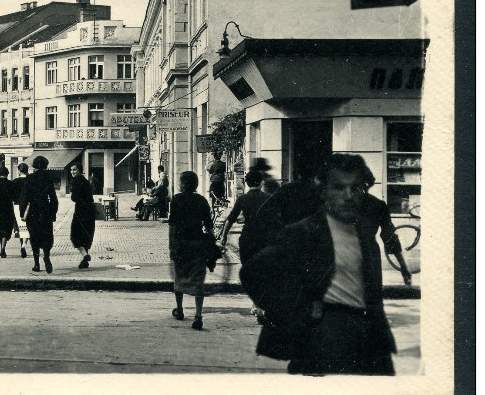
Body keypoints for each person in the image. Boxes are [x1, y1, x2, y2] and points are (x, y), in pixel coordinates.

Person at [240, 154, 408, 375]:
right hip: (325, 324)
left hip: (366, 327)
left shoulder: (369, 210)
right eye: (339, 187)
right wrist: (290, 309)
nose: (348, 196)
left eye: (357, 188)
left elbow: (260, 225)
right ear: (324, 188)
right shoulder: (308, 225)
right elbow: (253, 271)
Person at [168, 170, 214, 330]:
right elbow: (209, 226)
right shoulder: (202, 201)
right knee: (198, 280)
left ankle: (179, 310)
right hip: (198, 245)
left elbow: (172, 226)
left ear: (184, 184)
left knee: (179, 277)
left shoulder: (177, 200)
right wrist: (212, 245)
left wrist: (171, 247)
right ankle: (198, 316)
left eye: (180, 182)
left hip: (181, 245)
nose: (179, 184)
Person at [19, 156, 59, 273]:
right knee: (47, 236)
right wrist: (53, 213)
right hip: (45, 210)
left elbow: (24, 198)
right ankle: (46, 257)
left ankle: (36, 264)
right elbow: (54, 199)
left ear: (35, 165)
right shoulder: (48, 178)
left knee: (34, 237)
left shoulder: (29, 178)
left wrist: (22, 213)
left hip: (33, 211)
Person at [220, 170, 271, 246]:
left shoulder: (242, 198)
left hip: (247, 236)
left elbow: (230, 219)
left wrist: (224, 236)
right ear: (261, 182)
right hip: (263, 237)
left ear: (247, 184)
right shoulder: (268, 197)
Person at [68, 164, 96, 269]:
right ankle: (85, 262)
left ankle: (85, 255)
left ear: (79, 170)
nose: (72, 172)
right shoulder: (86, 181)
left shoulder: (75, 181)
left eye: (74, 170)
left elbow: (74, 198)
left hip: (80, 212)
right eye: (71, 170)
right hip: (90, 211)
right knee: (86, 235)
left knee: (74, 235)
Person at [9, 163, 31, 258]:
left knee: (20, 225)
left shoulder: (14, 182)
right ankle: (24, 245)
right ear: (27, 170)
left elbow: (11, 196)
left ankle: (19, 239)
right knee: (28, 226)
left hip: (17, 205)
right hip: (28, 206)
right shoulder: (30, 180)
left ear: (19, 171)